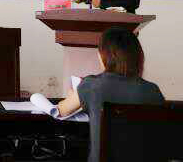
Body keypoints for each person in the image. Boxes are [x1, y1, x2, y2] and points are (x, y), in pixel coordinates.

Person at [56, 27, 164, 162]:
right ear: (138, 57)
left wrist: (72, 94)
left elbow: (62, 110)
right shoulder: (152, 91)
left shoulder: (91, 86)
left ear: (103, 56)